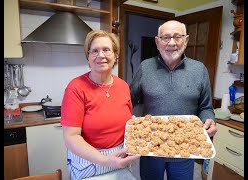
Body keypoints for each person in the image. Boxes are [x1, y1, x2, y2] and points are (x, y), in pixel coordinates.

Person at [130, 20, 217, 180]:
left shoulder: (199, 70)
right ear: (157, 42)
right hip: (151, 148)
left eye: (177, 37)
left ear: (186, 40)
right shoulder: (145, 67)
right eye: (166, 37)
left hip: (185, 151)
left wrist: (209, 119)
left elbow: (206, 107)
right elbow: (129, 100)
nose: (171, 43)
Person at [61, 30, 140, 180]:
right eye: (94, 51)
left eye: (106, 50)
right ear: (88, 57)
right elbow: (71, 137)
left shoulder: (123, 86)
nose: (101, 55)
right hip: (88, 161)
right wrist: (104, 160)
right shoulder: (76, 88)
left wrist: (137, 124)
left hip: (120, 158)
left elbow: (126, 119)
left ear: (115, 55)